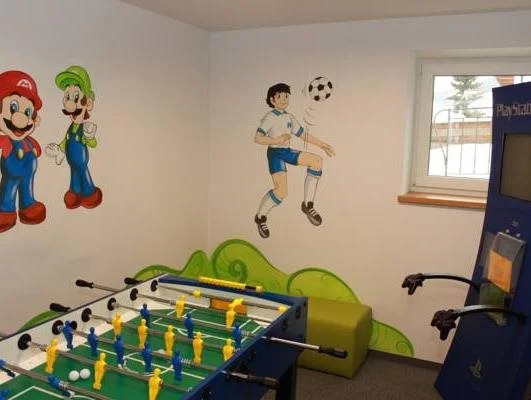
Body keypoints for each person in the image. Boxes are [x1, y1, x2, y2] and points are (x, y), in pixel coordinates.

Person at [254, 83, 335, 238]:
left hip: (286, 151)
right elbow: (258, 138)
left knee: (317, 161)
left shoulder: (289, 117)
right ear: (272, 100)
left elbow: (302, 134)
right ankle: (260, 217)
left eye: (286, 96)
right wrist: (276, 139)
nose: (284, 99)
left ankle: (307, 205)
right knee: (281, 192)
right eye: (279, 96)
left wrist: (322, 145)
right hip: (275, 154)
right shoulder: (270, 117)